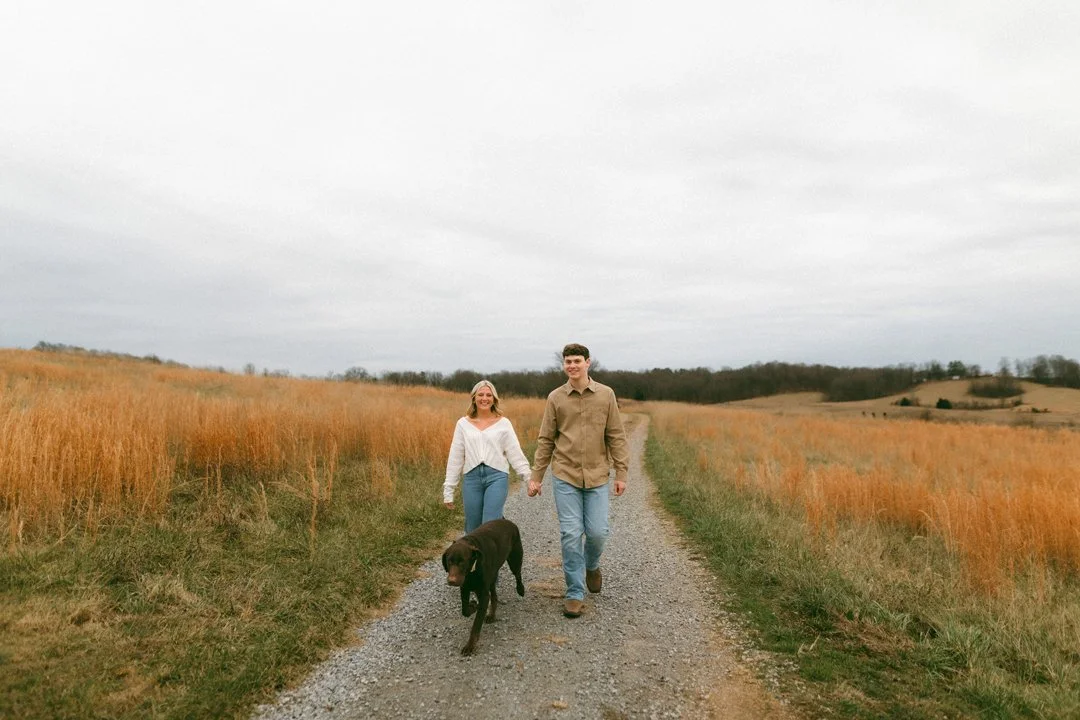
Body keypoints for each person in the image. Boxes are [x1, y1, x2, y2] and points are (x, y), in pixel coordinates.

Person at [527, 343, 629, 618]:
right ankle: (574, 592)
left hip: (597, 476)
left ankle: (592, 565)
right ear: (563, 365)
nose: (572, 366)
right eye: (567, 362)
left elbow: (616, 436)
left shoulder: (606, 395)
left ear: (588, 363)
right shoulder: (555, 398)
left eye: (576, 361)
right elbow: (546, 439)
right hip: (565, 475)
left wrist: (622, 473)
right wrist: (536, 477)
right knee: (570, 534)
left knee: (597, 532)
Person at [443, 380, 533, 533]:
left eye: (488, 395)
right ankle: (474, 557)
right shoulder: (463, 424)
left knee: (489, 525)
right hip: (472, 478)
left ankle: (493, 556)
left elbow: (515, 453)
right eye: (481, 395)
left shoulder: (504, 423)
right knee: (472, 527)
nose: (484, 398)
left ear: (494, 399)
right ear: (474, 398)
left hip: (497, 477)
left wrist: (528, 479)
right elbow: (456, 457)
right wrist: (448, 490)